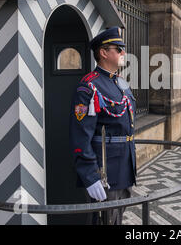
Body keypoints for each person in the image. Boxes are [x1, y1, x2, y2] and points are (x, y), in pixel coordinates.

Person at [69, 27, 137, 225]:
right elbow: (80, 136)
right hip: (105, 170)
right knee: (104, 221)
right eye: (119, 48)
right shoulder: (89, 86)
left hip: (124, 166)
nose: (123, 52)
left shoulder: (120, 83)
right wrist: (90, 176)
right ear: (104, 52)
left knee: (117, 218)